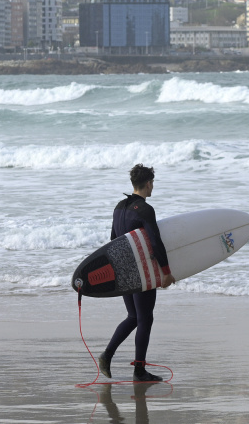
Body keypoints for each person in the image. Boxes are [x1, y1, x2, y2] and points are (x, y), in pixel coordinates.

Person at [98, 164, 175, 383]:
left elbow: (114, 240)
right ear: (149, 183)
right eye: (153, 183)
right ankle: (139, 372)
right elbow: (155, 241)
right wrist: (166, 272)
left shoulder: (119, 207)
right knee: (145, 318)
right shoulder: (145, 209)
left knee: (134, 317)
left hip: (123, 270)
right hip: (141, 271)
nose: (153, 187)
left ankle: (107, 355)